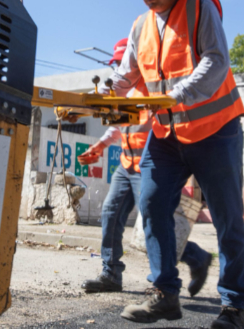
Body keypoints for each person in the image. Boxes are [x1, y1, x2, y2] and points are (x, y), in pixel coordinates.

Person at [110, 0, 244, 329]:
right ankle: (164, 293)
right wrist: (108, 93)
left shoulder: (199, 8)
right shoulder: (140, 25)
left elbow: (216, 60)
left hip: (215, 130)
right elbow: (127, 74)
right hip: (167, 135)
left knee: (227, 218)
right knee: (153, 206)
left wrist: (178, 94)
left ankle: (233, 306)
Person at [78, 38, 213, 297]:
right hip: (126, 165)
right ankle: (110, 273)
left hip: (150, 166)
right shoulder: (125, 93)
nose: (118, 67)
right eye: (115, 63)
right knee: (110, 213)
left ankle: (195, 257)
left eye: (120, 62)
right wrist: (100, 146)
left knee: (155, 221)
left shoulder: (155, 90)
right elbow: (117, 127)